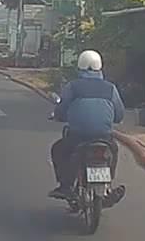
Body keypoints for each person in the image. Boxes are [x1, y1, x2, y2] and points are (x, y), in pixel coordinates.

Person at [49, 50, 126, 206]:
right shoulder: (110, 88)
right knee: (113, 151)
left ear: (80, 66)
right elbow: (119, 114)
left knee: (58, 149)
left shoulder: (72, 87)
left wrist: (58, 116)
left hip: (77, 136)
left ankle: (65, 186)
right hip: (104, 137)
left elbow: (62, 109)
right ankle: (108, 186)